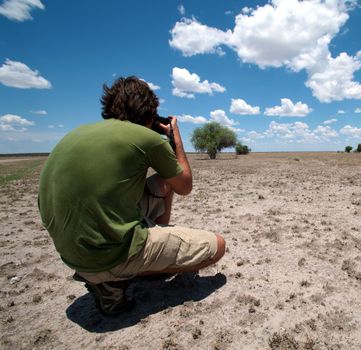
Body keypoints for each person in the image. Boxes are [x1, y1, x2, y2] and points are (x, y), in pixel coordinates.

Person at [38, 76, 226, 316]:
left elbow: (169, 183)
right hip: (108, 256)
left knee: (163, 183)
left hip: (72, 253)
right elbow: (185, 185)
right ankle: (113, 280)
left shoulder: (73, 135)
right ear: (150, 113)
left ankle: (146, 246)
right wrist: (175, 137)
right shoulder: (146, 137)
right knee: (217, 246)